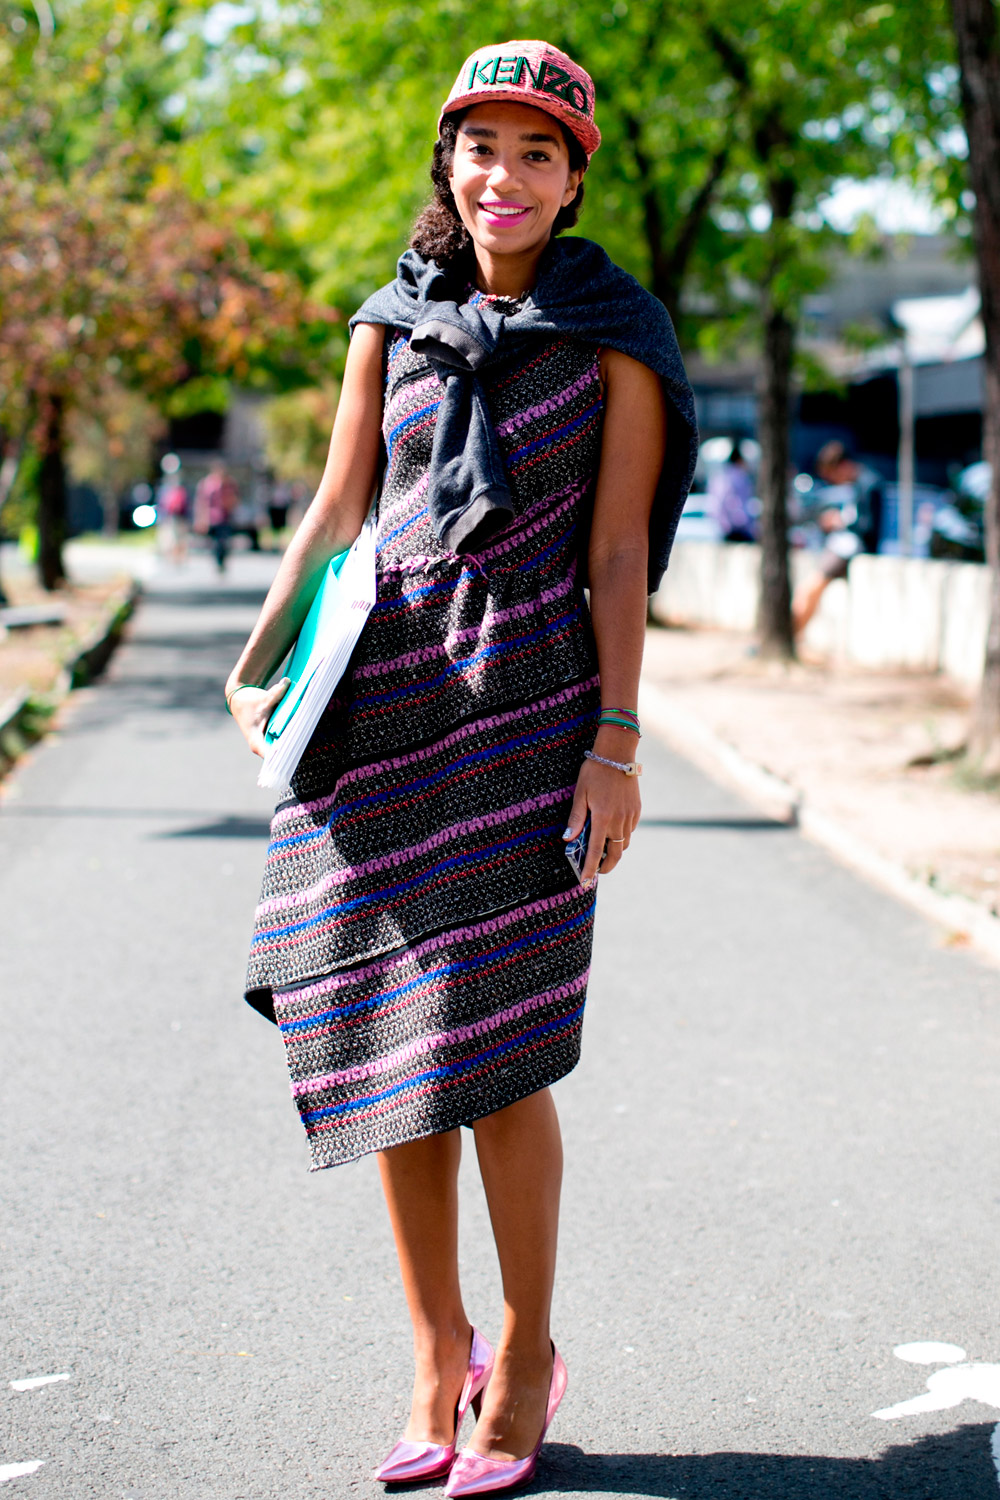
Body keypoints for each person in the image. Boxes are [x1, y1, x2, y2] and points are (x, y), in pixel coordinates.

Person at [225, 39, 697, 1497]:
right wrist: (258, 665)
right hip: (381, 709)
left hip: (530, 703)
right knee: (380, 1030)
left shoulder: (615, 332)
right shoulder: (393, 317)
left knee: (494, 1047)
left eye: (538, 152)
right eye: (481, 146)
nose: (505, 175)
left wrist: (616, 746)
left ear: (574, 176)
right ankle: (436, 1354)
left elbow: (617, 551)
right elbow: (334, 507)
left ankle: (528, 1345)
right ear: (450, 160)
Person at [792, 440, 884, 638]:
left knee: (809, 589)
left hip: (851, 549)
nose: (834, 481)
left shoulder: (869, 484)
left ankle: (792, 635)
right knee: (807, 590)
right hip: (843, 547)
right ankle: (793, 635)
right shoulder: (859, 483)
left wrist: (840, 522)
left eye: (832, 475)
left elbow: (868, 527)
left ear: (842, 466)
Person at [193, 461, 239, 573]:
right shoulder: (207, 483)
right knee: (215, 543)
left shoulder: (229, 483)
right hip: (211, 518)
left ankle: (222, 561)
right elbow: (201, 502)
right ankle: (218, 562)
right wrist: (200, 519)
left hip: (225, 518)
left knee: (223, 542)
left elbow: (234, 499)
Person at [707, 441, 755, 542]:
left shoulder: (720, 476)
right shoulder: (739, 477)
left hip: (724, 525)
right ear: (739, 461)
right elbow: (734, 501)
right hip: (737, 525)